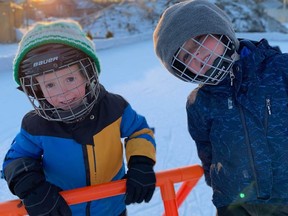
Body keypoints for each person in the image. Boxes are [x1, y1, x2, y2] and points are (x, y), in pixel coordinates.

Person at [2, 20, 156, 216]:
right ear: (36, 89)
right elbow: (16, 159)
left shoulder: (114, 108)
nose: (64, 94)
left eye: (70, 79)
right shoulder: (36, 125)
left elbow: (139, 130)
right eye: (50, 86)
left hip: (112, 209)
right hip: (62, 211)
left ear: (87, 75)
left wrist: (141, 162)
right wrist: (32, 188)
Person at [153, 0, 288, 215]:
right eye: (186, 56)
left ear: (219, 30)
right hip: (236, 204)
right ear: (182, 69)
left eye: (199, 40)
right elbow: (207, 153)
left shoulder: (279, 69)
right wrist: (223, 192)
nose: (198, 55)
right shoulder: (198, 103)